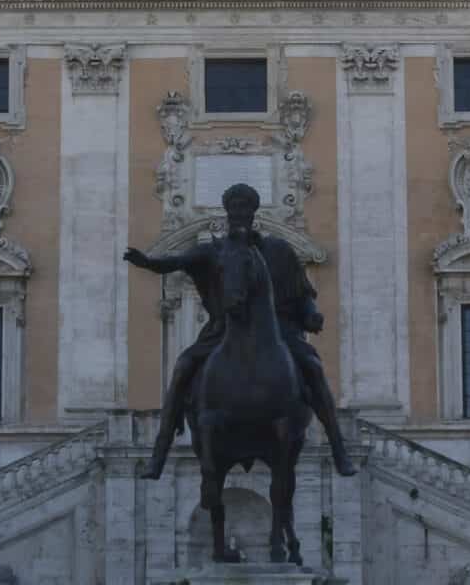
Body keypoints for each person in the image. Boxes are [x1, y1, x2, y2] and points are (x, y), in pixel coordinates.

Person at [126, 182, 358, 478]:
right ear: (227, 213)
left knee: (312, 367)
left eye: (244, 210)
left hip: (280, 330)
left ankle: (338, 447)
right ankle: (160, 453)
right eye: (234, 210)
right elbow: (175, 262)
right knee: (184, 367)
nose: (239, 215)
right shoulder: (215, 251)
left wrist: (311, 315)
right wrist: (147, 263)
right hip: (223, 330)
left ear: (253, 212)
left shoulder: (279, 250)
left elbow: (303, 294)